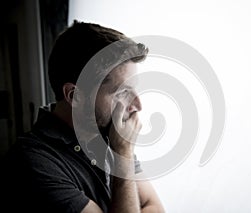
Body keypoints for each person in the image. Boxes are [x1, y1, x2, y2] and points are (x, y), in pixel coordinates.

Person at [1, 21, 165, 213]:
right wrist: (123, 156)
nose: (138, 105)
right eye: (121, 92)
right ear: (74, 95)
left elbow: (154, 207)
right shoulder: (33, 163)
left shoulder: (108, 134)